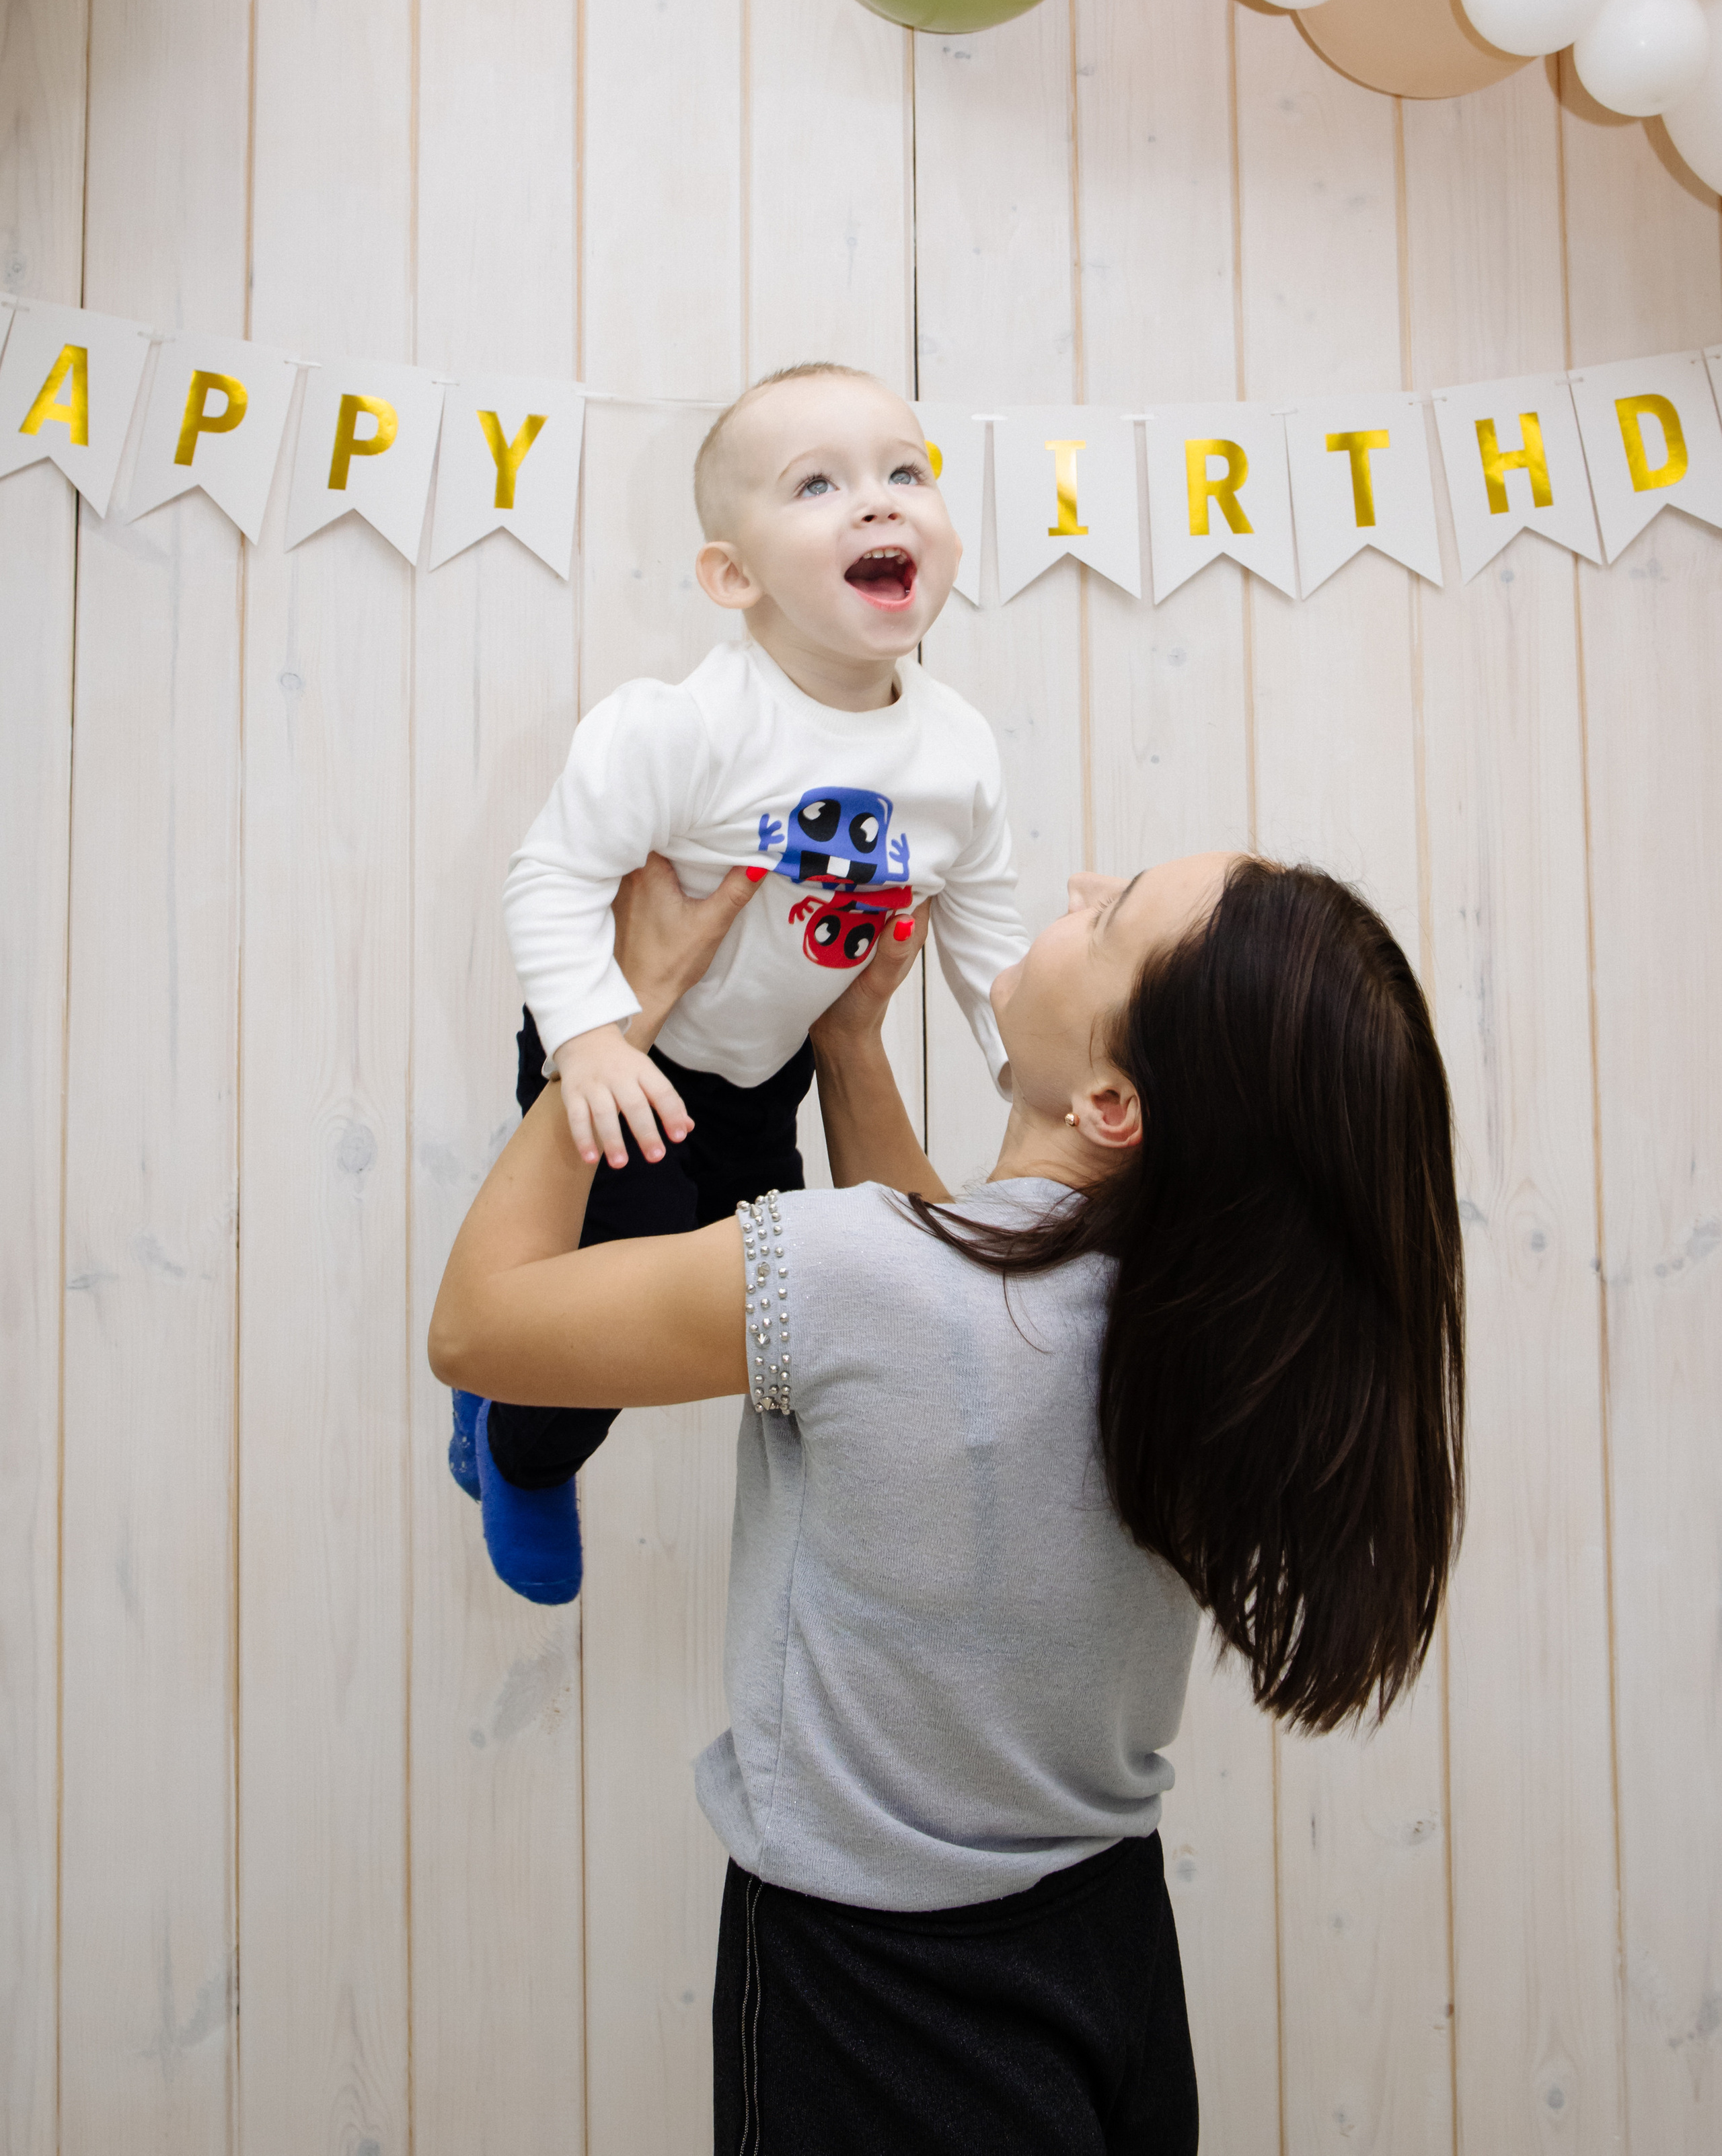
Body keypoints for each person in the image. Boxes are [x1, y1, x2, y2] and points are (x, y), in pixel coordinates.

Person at [429, 843, 1466, 2155]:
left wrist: (612, 1013)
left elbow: (477, 1327)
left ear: (1110, 1101)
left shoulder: (866, 1284)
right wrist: (855, 1043)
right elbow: (948, 1300)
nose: (1079, 891)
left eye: (1114, 914)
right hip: (1108, 1958)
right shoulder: (1180, 1337)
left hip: (875, 2007)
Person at [454, 360, 1026, 1605]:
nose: (880, 505)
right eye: (818, 485)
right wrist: (593, 1040)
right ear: (735, 576)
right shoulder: (683, 728)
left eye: (906, 472)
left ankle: (531, 1399)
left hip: (765, 1081)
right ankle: (517, 1441)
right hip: (627, 1064)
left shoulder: (960, 751)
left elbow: (991, 937)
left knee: (772, 1301)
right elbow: (551, 878)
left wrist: (1026, 1062)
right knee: (621, 1287)